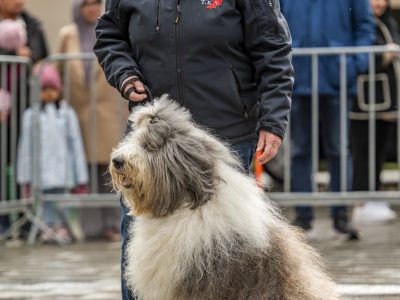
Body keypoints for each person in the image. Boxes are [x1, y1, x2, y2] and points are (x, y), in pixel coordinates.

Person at [94, 0, 293, 299]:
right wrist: (125, 74)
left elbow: (271, 46)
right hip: (153, 139)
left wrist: (273, 120)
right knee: (141, 242)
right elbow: (109, 34)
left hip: (226, 136)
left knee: (226, 254)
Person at [280, 0, 375, 240]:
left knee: (338, 149)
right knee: (300, 149)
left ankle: (341, 215)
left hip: (337, 80)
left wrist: (356, 63)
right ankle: (302, 216)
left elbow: (364, 25)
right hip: (298, 78)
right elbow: (274, 23)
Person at [57, 0, 127, 241]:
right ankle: (89, 228)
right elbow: (57, 70)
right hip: (80, 114)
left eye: (96, 3)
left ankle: (111, 224)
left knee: (111, 170)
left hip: (109, 113)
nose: (92, 8)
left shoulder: (110, 29)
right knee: (84, 173)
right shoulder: (67, 34)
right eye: (87, 4)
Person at [16, 64, 89, 243]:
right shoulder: (30, 115)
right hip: (41, 170)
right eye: (44, 89)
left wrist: (81, 176)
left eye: (52, 89)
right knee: (44, 201)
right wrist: (25, 177)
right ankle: (48, 225)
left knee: (63, 199)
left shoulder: (66, 113)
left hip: (63, 169)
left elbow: (76, 144)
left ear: (59, 90)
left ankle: (61, 226)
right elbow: (25, 147)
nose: (48, 93)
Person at [351, 0, 398, 224]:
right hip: (364, 102)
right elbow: (359, 59)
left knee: (379, 152)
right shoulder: (360, 24)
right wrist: (383, 58)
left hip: (387, 101)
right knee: (363, 153)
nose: (378, 3)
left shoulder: (388, 22)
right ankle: (361, 200)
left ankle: (373, 195)